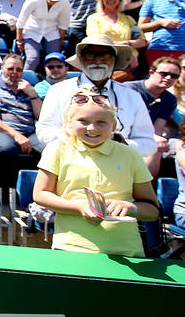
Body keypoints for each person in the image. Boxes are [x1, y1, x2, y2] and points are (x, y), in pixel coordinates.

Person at [33, 87, 159, 257]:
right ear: (69, 123)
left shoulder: (130, 154)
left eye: (101, 122)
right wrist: (80, 207)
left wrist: (130, 207)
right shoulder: (57, 149)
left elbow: (152, 211)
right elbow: (40, 194)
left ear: (114, 125)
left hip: (128, 251)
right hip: (71, 248)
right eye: (83, 121)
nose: (92, 128)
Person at [37, 35, 156, 158]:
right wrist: (81, 138)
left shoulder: (132, 96)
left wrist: (119, 143)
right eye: (90, 55)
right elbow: (44, 131)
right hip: (71, 160)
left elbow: (148, 143)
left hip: (117, 165)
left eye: (105, 55)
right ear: (81, 59)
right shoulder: (58, 91)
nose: (98, 61)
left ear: (114, 60)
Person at [0, 54, 44, 174]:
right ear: (2, 69)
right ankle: (4, 186)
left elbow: (41, 117)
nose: (14, 72)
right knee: (7, 148)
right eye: (10, 69)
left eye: (19, 70)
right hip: (0, 131)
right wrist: (16, 135)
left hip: (29, 133)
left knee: (50, 150)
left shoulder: (28, 89)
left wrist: (33, 95)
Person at [125, 57, 181, 178]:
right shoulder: (129, 90)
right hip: (124, 135)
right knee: (153, 146)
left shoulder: (170, 99)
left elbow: (157, 128)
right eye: (164, 74)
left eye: (174, 76)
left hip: (146, 136)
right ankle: (146, 191)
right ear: (151, 72)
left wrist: (156, 138)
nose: (168, 78)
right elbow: (125, 123)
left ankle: (150, 191)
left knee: (170, 145)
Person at [86, 0, 145, 81]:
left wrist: (127, 44)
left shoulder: (128, 19)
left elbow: (142, 41)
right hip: (103, 61)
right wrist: (124, 47)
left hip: (128, 64)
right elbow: (96, 42)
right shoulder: (93, 19)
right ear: (101, 0)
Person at [16, 0, 70, 71]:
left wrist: (61, 40)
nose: (54, 1)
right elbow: (21, 21)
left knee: (55, 60)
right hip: (31, 31)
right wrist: (19, 41)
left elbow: (63, 23)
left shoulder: (64, 1)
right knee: (32, 59)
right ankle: (23, 80)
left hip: (52, 31)